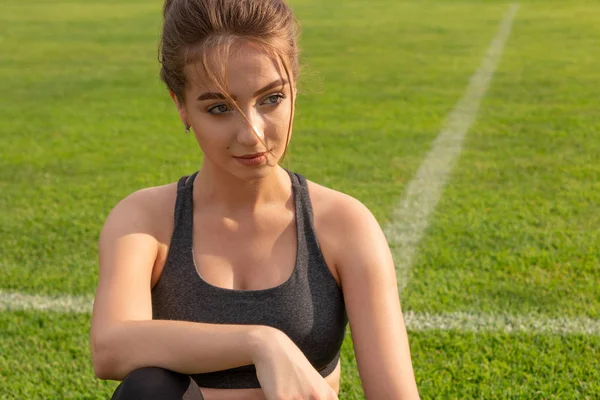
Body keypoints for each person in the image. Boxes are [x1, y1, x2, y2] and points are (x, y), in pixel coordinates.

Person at [89, 0, 420, 399]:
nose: (253, 134)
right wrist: (261, 342)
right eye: (219, 108)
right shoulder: (145, 220)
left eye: (271, 99)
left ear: (294, 86)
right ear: (181, 106)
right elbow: (110, 348)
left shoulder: (341, 223)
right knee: (151, 387)